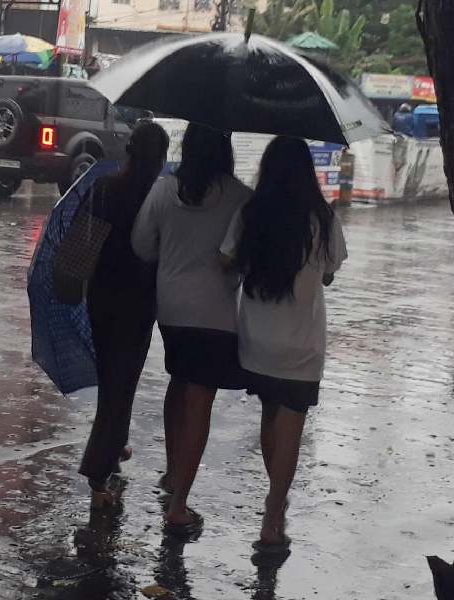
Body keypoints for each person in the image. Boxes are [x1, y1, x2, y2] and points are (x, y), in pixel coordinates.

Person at [220, 136, 348, 550]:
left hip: (257, 341)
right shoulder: (323, 219)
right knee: (291, 427)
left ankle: (277, 495)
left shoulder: (250, 213)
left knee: (269, 416)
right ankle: (272, 519)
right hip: (302, 345)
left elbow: (225, 259)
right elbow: (329, 273)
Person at [132, 122, 252, 531]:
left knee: (179, 382)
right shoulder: (241, 197)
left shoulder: (165, 190)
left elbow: (142, 245)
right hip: (216, 314)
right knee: (199, 400)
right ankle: (179, 505)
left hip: (172, 310)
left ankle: (171, 471)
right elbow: (247, 256)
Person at [78, 121, 170, 509]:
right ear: (160, 157)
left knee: (113, 381)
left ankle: (114, 447)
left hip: (100, 296)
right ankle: (98, 471)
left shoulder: (104, 188)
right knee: (121, 383)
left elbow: (83, 238)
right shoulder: (159, 196)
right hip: (138, 301)